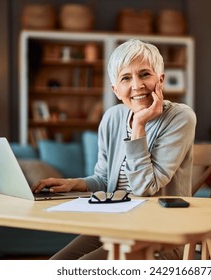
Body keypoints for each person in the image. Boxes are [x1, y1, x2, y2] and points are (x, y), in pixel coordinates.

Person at [34, 38, 197, 260]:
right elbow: (104, 180)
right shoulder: (112, 117)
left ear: (161, 80)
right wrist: (73, 183)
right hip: (116, 225)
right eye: (126, 78)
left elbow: (144, 188)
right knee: (55, 265)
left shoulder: (180, 117)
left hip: (163, 235)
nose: (137, 85)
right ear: (116, 89)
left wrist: (139, 124)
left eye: (145, 74)